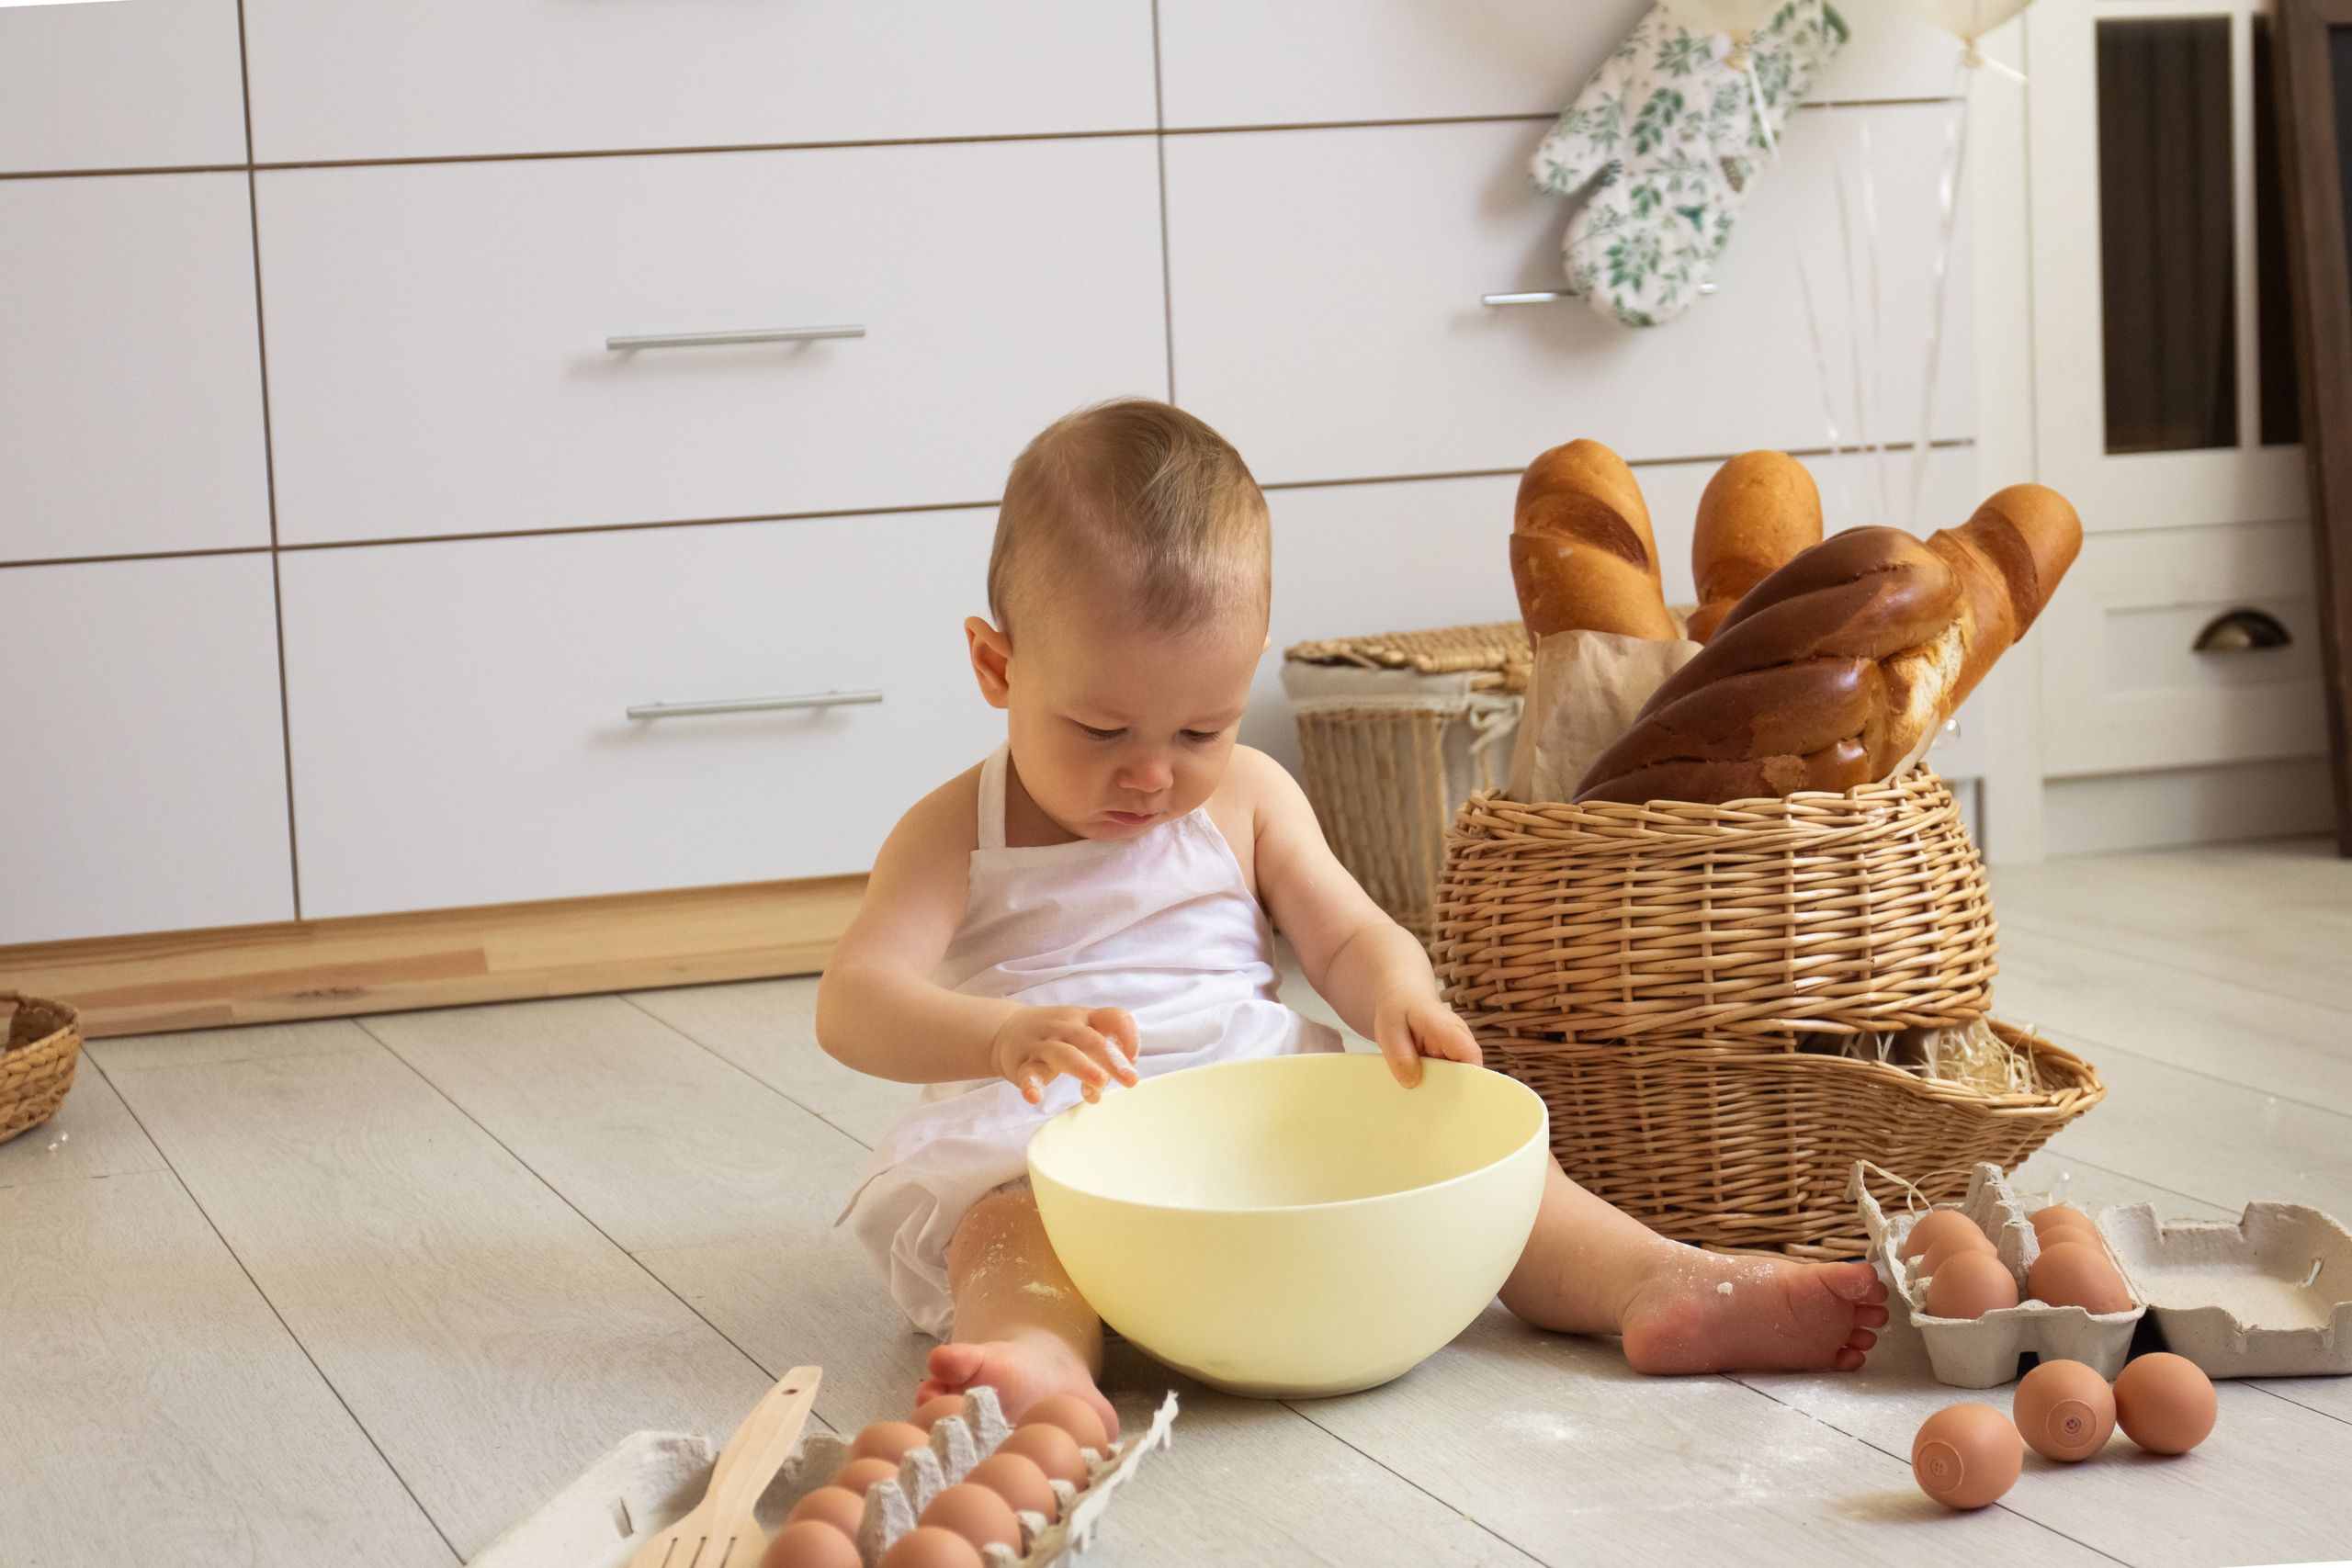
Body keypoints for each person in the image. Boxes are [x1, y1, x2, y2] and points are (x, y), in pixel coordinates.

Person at [820, 399, 1887, 1438]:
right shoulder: (955, 831)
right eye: (1102, 730)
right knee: (1008, 1228)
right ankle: (1039, 1359)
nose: (1151, 774)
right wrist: (1000, 1037)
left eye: (1200, 728)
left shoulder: (1250, 795)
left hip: (1261, 1119)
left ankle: (1654, 1280)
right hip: (1058, 1138)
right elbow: (854, 1003)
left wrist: (1398, 994)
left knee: (1479, 1152)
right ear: (997, 666)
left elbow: (1345, 932)